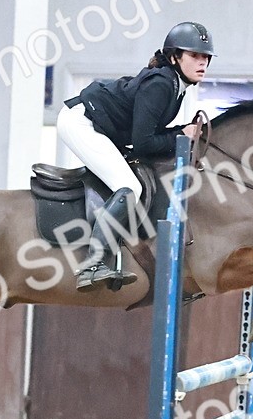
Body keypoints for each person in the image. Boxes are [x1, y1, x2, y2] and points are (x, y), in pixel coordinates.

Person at [57, 21, 213, 291]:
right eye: (195, 56)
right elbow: (142, 143)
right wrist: (180, 135)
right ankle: (92, 264)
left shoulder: (174, 85)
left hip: (100, 125)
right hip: (81, 122)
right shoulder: (162, 84)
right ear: (175, 57)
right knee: (129, 186)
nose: (203, 63)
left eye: (206, 57)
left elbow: (149, 133)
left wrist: (179, 132)